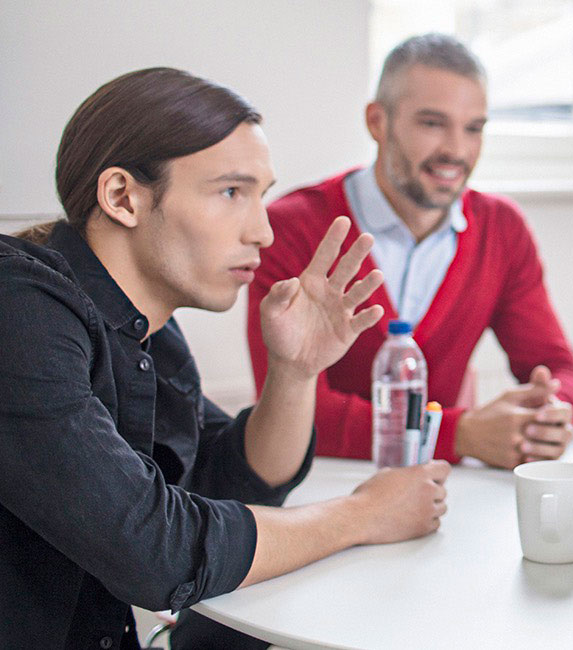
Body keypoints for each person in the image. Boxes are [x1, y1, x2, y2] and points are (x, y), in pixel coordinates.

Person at [0, 68, 451, 649]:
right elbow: (155, 550)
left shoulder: (150, 334)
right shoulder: (20, 310)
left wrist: (295, 372)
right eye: (231, 192)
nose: (263, 231)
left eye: (262, 194)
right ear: (123, 197)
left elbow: (229, 484)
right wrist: (363, 516)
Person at [248, 33, 573, 469]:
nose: (457, 151)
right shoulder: (292, 227)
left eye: (474, 128)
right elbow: (288, 413)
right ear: (377, 122)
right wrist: (459, 434)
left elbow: (558, 367)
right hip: (323, 486)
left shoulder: (502, 228)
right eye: (432, 123)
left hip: (440, 490)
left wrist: (551, 413)